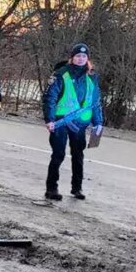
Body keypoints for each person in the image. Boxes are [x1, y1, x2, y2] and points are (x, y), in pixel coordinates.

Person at [42, 43, 104, 201]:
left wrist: (98, 122)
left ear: (87, 58)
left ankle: (77, 188)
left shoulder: (92, 77)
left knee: (78, 155)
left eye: (84, 56)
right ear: (72, 57)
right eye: (78, 56)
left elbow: (95, 102)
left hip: (80, 124)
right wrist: (49, 119)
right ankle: (51, 189)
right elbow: (50, 98)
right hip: (60, 122)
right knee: (58, 155)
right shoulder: (61, 74)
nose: (81, 59)